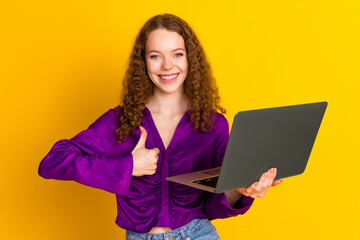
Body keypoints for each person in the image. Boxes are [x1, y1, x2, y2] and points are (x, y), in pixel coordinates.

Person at [38, 13, 282, 240]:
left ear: (190, 59)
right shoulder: (120, 122)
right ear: (143, 62)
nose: (167, 65)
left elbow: (211, 205)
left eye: (177, 54)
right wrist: (128, 165)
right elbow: (52, 162)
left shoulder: (214, 125)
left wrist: (239, 190)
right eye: (155, 56)